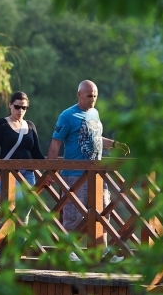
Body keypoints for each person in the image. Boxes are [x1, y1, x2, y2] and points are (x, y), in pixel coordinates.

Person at [47, 80, 130, 261]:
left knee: (102, 213)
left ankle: (103, 253)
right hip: (74, 175)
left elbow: (96, 137)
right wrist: (49, 171)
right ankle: (67, 252)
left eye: (95, 96)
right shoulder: (67, 115)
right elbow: (55, 143)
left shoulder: (94, 113)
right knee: (74, 216)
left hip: (96, 175)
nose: (92, 99)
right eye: (89, 96)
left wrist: (114, 144)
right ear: (79, 95)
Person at [0, 91, 45, 208]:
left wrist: (50, 172)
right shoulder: (2, 124)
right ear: (10, 105)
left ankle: (23, 226)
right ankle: (10, 226)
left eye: (24, 108)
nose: (20, 111)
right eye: (17, 107)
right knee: (17, 203)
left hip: (28, 173)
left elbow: (37, 153)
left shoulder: (30, 126)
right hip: (7, 172)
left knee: (28, 205)